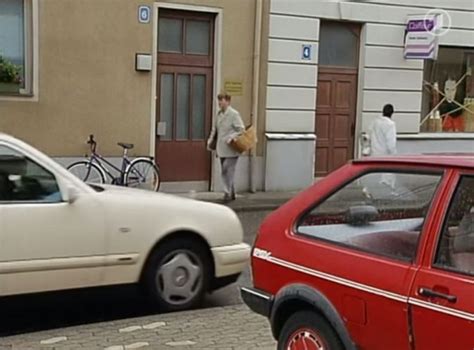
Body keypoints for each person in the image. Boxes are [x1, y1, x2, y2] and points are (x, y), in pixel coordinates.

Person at [207, 93, 244, 202]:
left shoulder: (234, 114)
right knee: (225, 170)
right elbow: (215, 129)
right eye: (218, 100)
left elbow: (241, 129)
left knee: (227, 169)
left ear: (228, 101)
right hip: (221, 147)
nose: (219, 103)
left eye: (221, 100)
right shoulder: (219, 114)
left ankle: (227, 192)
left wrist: (231, 137)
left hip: (231, 147)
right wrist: (210, 141)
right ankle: (231, 192)